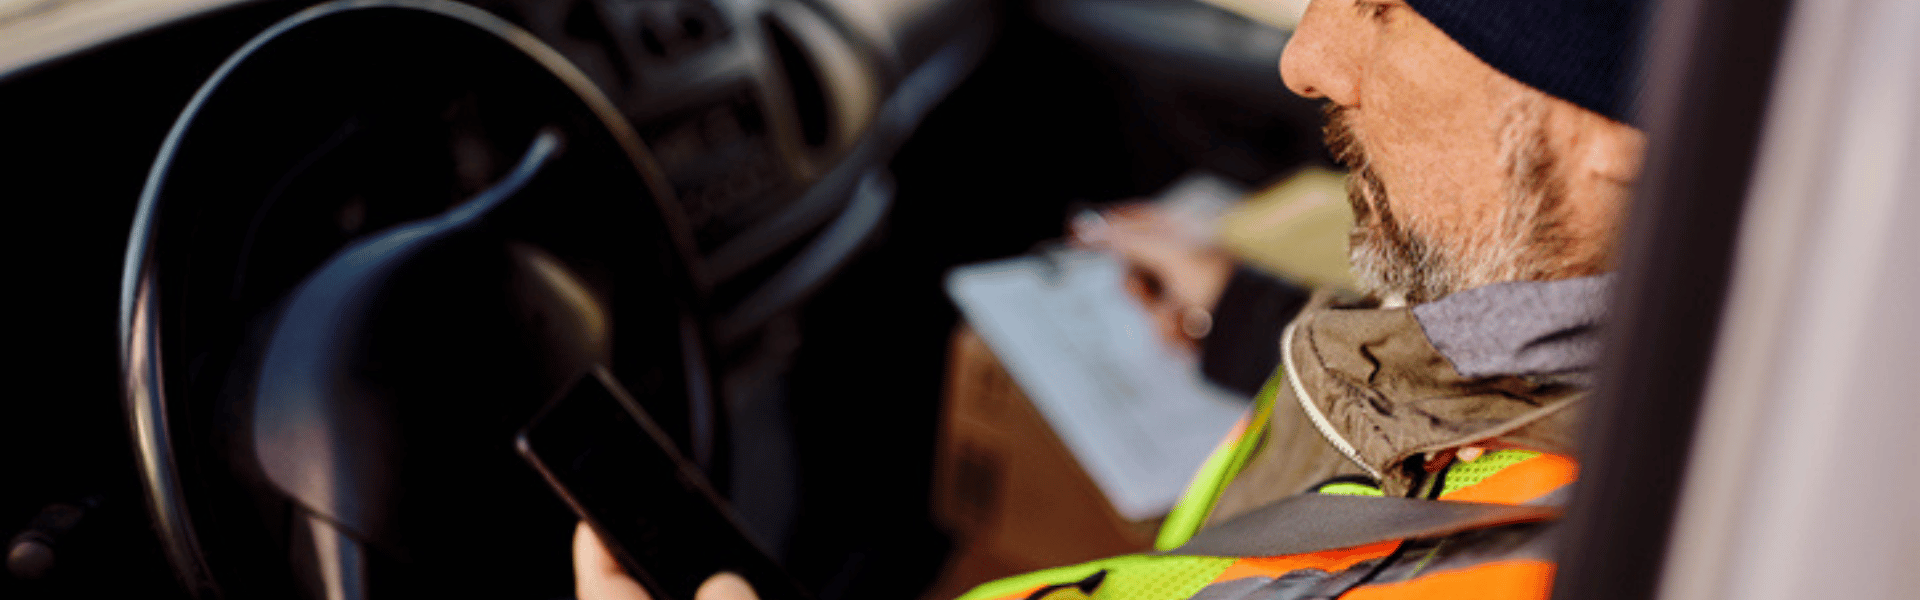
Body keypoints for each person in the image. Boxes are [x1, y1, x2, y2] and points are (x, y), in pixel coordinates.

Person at [578, 0, 1645, 597]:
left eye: (1388, 10)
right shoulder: (1564, 354)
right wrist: (1254, 324)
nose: (1306, 58)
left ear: (1622, 137)